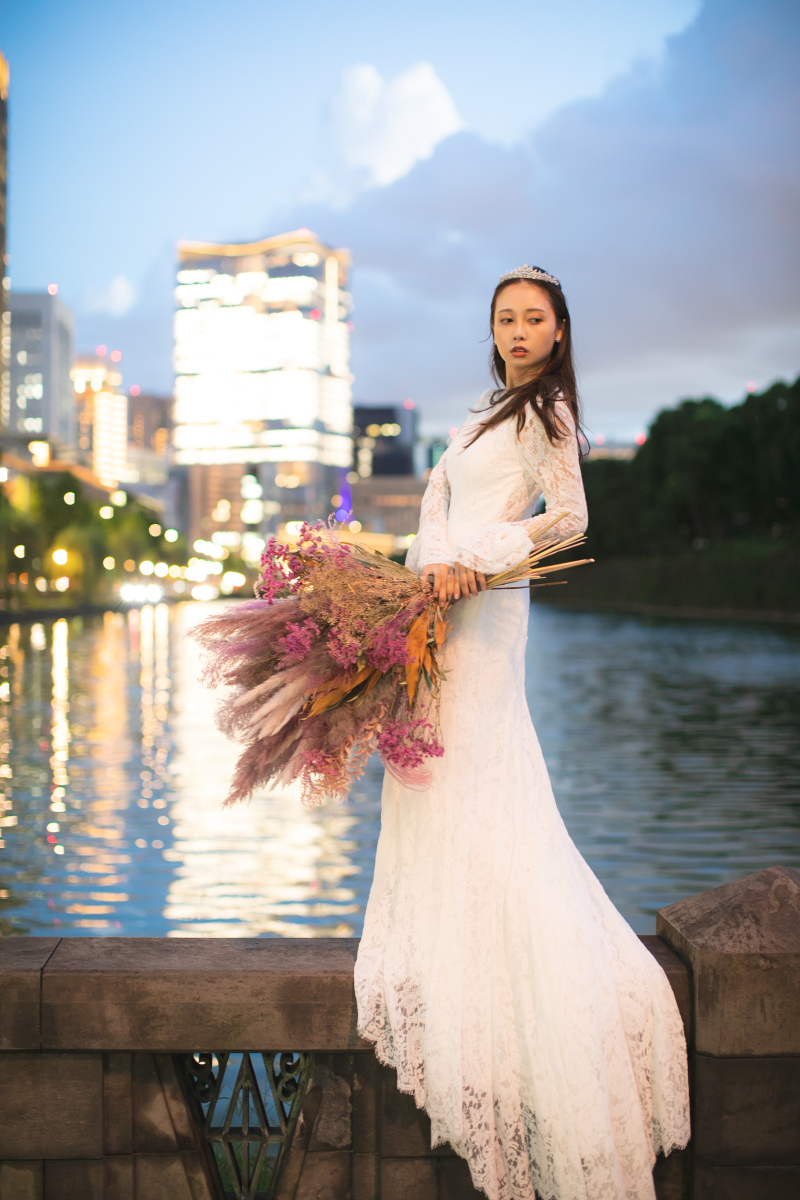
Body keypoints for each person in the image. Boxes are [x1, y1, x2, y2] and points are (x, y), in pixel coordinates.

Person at [353, 266, 690, 1200]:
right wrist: (411, 589)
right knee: (431, 757)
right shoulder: (485, 412)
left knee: (477, 760)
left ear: (559, 331)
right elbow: (440, 507)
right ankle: (447, 929)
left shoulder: (549, 418)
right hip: (440, 607)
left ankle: (511, 959)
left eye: (533, 317)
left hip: (489, 607)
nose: (516, 328)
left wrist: (479, 560)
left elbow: (569, 518)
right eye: (504, 317)